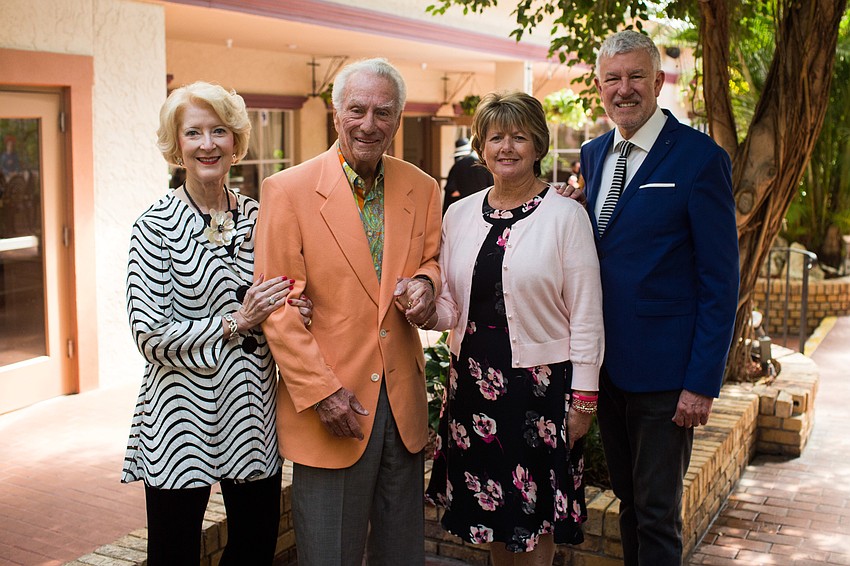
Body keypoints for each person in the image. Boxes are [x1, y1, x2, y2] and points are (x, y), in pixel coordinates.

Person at [253, 58, 442, 566]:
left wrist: (426, 282)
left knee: (401, 552)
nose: (369, 123)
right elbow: (278, 307)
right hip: (331, 404)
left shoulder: (422, 187)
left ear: (398, 120)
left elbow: (430, 260)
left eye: (383, 112)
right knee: (329, 555)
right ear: (336, 114)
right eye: (356, 109)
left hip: (402, 403)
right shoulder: (286, 191)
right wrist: (320, 393)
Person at [122, 81, 312, 565]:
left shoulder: (261, 217)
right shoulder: (153, 226)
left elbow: (284, 296)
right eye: (194, 133)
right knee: (174, 553)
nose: (208, 144)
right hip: (179, 418)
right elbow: (149, 336)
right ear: (176, 145)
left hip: (249, 410)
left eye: (219, 131)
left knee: (254, 546)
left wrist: (294, 313)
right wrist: (238, 320)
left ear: (235, 142)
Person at [574, 31, 739, 565]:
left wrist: (700, 382)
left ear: (659, 81)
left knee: (657, 512)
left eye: (635, 76)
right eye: (613, 79)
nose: (624, 89)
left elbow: (720, 280)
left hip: (666, 375)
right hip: (605, 368)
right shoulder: (594, 154)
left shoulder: (698, 159)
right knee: (628, 501)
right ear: (601, 87)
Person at [423, 91, 605, 566]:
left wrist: (584, 398)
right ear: (481, 146)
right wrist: (423, 311)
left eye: (519, 137)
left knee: (534, 517)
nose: (506, 147)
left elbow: (586, 313)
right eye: (496, 136)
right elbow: (450, 308)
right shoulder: (459, 214)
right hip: (473, 388)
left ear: (538, 145)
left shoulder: (566, 216)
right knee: (498, 524)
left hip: (537, 392)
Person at [442, 136, 494, 214]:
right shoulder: (486, 166)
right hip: (485, 209)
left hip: (462, 210)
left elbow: (450, 191)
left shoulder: (457, 166)